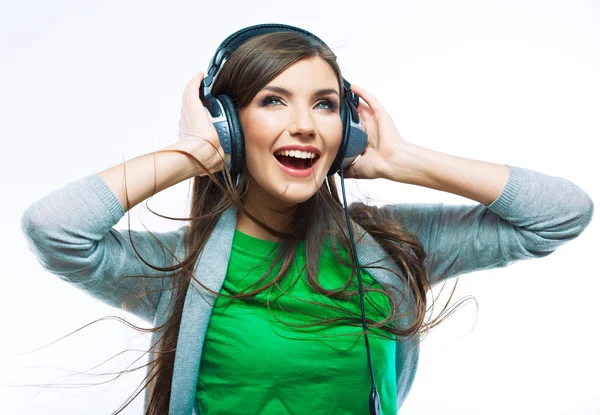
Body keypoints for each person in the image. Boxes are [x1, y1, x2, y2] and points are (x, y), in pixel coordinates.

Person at [20, 24, 594, 415]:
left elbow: (559, 216)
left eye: (323, 103)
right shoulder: (180, 268)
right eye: (273, 100)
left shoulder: (392, 243)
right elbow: (55, 230)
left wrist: (402, 160)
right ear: (228, 123)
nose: (305, 124)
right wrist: (193, 153)